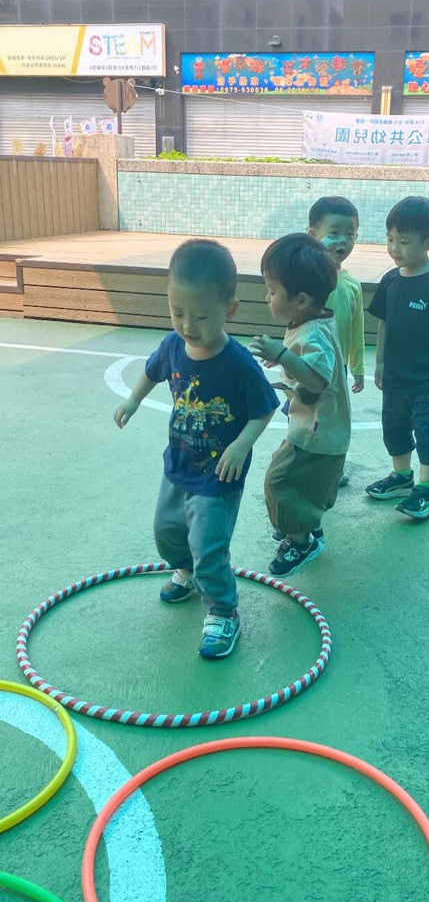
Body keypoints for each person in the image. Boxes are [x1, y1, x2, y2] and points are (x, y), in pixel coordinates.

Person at [114, 239, 279, 659]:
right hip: (179, 465)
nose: (188, 325)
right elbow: (151, 372)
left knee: (208, 546)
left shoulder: (238, 363)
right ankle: (184, 572)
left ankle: (223, 612)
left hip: (219, 476)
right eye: (178, 312)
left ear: (230, 309)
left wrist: (241, 445)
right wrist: (132, 400)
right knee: (167, 532)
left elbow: (264, 409)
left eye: (201, 316)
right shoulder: (173, 345)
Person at [250, 233, 351, 577]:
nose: (267, 297)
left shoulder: (313, 333)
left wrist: (283, 355)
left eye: (272, 291)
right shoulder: (310, 320)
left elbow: (318, 379)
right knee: (298, 482)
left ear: (301, 299)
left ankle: (301, 540)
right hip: (312, 427)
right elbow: (307, 363)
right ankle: (304, 525)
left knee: (280, 481)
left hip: (317, 434)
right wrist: (286, 361)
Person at [366, 196, 429, 519]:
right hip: (396, 376)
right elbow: (384, 323)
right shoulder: (391, 279)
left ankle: (427, 489)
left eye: (404, 242)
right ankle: (401, 476)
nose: (394, 248)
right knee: (393, 427)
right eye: (390, 239)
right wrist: (379, 362)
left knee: (428, 430)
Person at [308, 195, 365, 486]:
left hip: (337, 370)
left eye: (349, 234)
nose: (342, 240)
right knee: (305, 417)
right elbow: (295, 318)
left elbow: (356, 329)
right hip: (309, 364)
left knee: (336, 420)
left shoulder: (352, 284)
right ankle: (304, 464)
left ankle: (332, 468)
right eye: (333, 233)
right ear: (313, 235)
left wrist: (358, 367)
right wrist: (285, 353)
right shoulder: (308, 280)